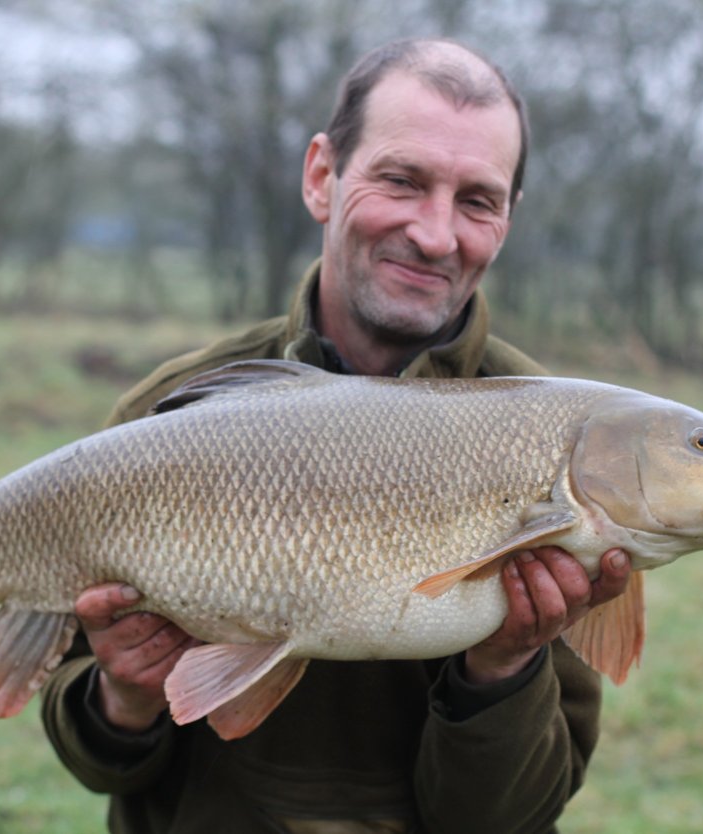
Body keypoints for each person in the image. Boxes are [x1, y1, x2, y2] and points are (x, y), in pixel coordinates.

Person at [41, 37, 631, 834]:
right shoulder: (171, 413)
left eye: (477, 200)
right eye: (402, 180)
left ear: (508, 221)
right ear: (323, 175)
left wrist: (502, 669)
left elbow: (512, 818)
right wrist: (125, 698)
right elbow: (96, 765)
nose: (434, 233)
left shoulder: (571, 448)